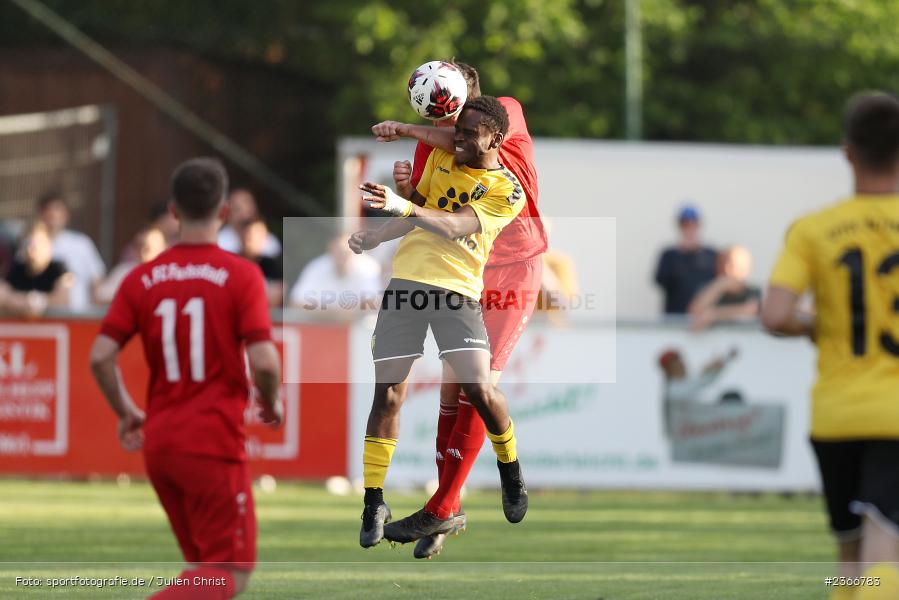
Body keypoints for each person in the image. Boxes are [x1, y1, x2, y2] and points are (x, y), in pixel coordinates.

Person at [369, 62, 547, 559]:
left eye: (455, 115)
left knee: (476, 385)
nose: (450, 126)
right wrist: (405, 198)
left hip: (514, 269)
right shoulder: (431, 144)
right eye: (440, 116)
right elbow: (427, 212)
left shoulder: (503, 113)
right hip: (464, 273)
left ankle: (449, 501)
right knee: (452, 391)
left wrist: (407, 129)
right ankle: (447, 507)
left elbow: (459, 151)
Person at [89, 157, 283, 599]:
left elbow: (100, 357)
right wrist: (271, 402)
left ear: (174, 211)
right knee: (229, 573)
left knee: (203, 570)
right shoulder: (241, 275)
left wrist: (126, 412)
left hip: (160, 446)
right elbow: (266, 363)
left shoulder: (142, 278)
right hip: (212, 441)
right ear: (224, 212)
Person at [762, 91, 899, 600]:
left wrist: (819, 324)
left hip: (836, 415)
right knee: (886, 554)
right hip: (895, 416)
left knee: (850, 558)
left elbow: (775, 315)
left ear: (848, 153)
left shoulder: (813, 229)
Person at [37, 191, 106, 312]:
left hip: (77, 316)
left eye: (57, 209)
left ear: (66, 214)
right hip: (41, 317)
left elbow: (97, 281)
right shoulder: (31, 245)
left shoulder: (81, 243)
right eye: (48, 209)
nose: (52, 214)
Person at [289, 231, 381, 318]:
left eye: (345, 252)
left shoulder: (368, 267)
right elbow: (296, 303)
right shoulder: (316, 267)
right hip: (323, 324)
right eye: (338, 251)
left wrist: (344, 314)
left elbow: (374, 303)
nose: (341, 256)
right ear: (330, 249)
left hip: (360, 326)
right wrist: (334, 314)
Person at [654, 205, 718, 314]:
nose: (689, 230)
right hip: (675, 316)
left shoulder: (711, 255)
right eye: (686, 226)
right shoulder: (669, 255)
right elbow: (660, 280)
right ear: (680, 227)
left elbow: (718, 283)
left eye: (693, 225)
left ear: (698, 226)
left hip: (704, 317)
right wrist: (683, 255)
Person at [688, 245, 761, 330]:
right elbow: (695, 310)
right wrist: (719, 286)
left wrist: (715, 314)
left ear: (745, 268)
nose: (726, 269)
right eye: (722, 263)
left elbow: (750, 310)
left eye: (732, 265)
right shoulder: (707, 289)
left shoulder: (753, 292)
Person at [5, 221, 72, 310]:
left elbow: (62, 300)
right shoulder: (15, 269)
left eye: (36, 244)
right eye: (27, 244)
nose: (31, 249)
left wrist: (33, 301)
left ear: (49, 245)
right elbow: (3, 294)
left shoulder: (59, 269)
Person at [94, 227, 166, 304]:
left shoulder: (169, 273)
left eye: (148, 248)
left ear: (163, 249)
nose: (142, 251)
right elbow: (100, 297)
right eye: (138, 246)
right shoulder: (123, 271)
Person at [217, 188, 281, 257]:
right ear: (227, 212)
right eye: (238, 209)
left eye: (248, 207)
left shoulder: (270, 242)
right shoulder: (220, 242)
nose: (244, 214)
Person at [240, 218, 283, 306]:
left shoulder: (271, 265)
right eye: (252, 235)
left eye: (261, 235)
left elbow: (278, 290)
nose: (257, 239)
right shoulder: (233, 262)